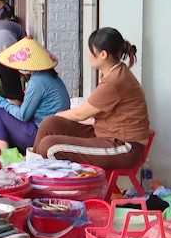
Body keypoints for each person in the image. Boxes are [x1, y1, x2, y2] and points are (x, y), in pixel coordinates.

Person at [32, 27, 150, 170]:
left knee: (50, 146)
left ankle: (48, 181)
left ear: (103, 54)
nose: (88, 54)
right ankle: (32, 171)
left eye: (91, 50)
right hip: (104, 133)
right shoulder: (112, 73)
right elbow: (92, 115)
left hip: (124, 147)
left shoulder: (115, 80)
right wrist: (56, 118)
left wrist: (58, 114)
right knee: (50, 124)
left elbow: (80, 114)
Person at [0, 36, 70, 153]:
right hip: (52, 133)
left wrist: (2, 103)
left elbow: (23, 115)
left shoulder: (37, 81)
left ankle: (5, 154)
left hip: (39, 135)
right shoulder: (52, 77)